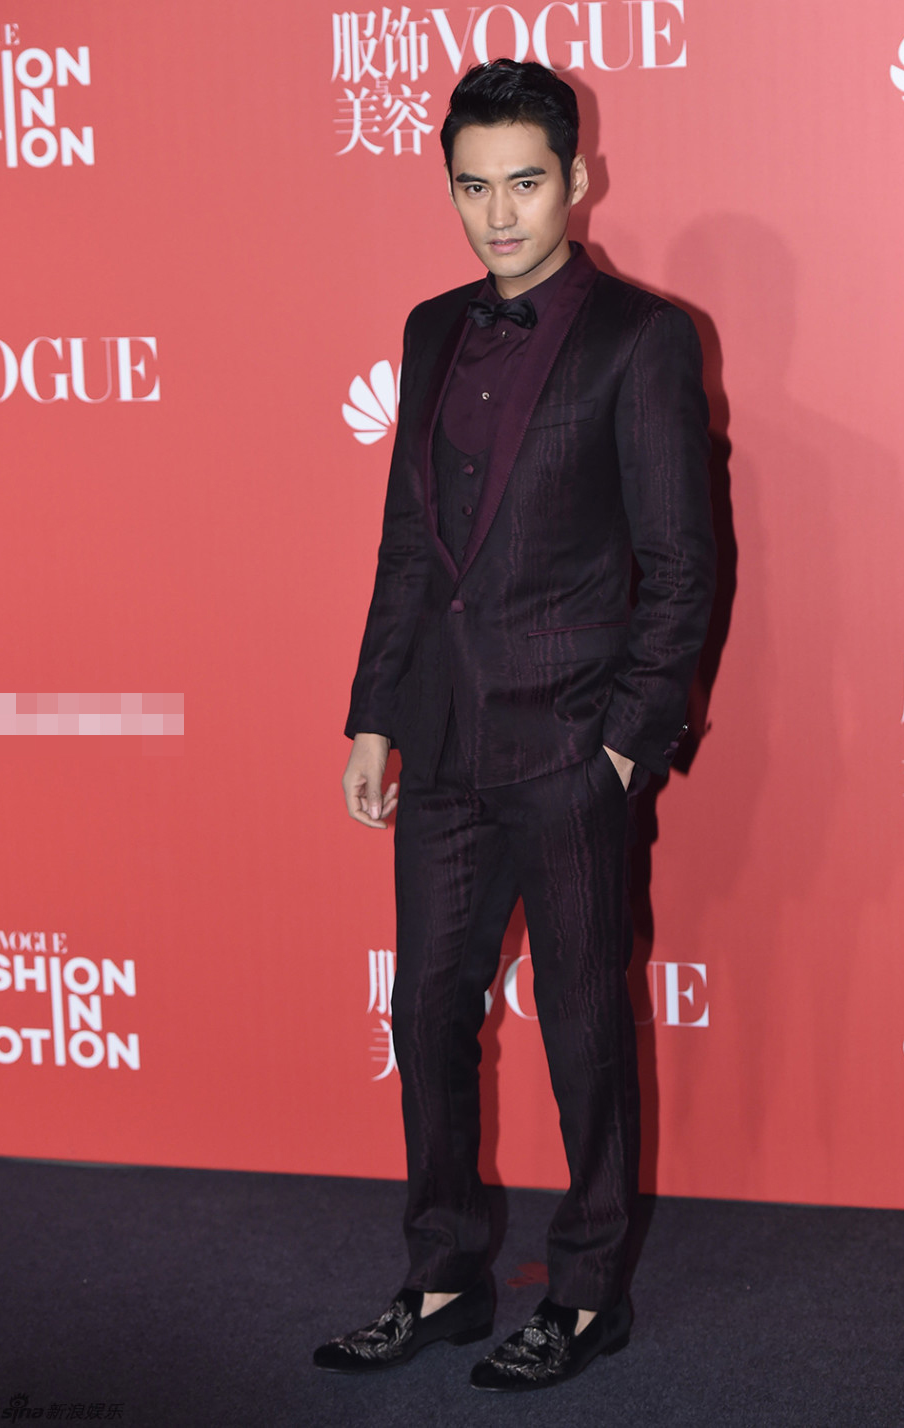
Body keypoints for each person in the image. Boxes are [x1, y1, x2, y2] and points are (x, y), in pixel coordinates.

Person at [314, 58, 715, 1393]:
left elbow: (682, 565)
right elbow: (405, 545)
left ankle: (590, 1295)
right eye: (474, 187)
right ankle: (443, 1275)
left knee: (583, 1029)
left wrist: (624, 745)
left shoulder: (643, 339)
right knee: (426, 1013)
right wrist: (375, 715)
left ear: (577, 180)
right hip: (442, 741)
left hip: (569, 748)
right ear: (450, 188)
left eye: (525, 184)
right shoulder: (431, 328)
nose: (499, 214)